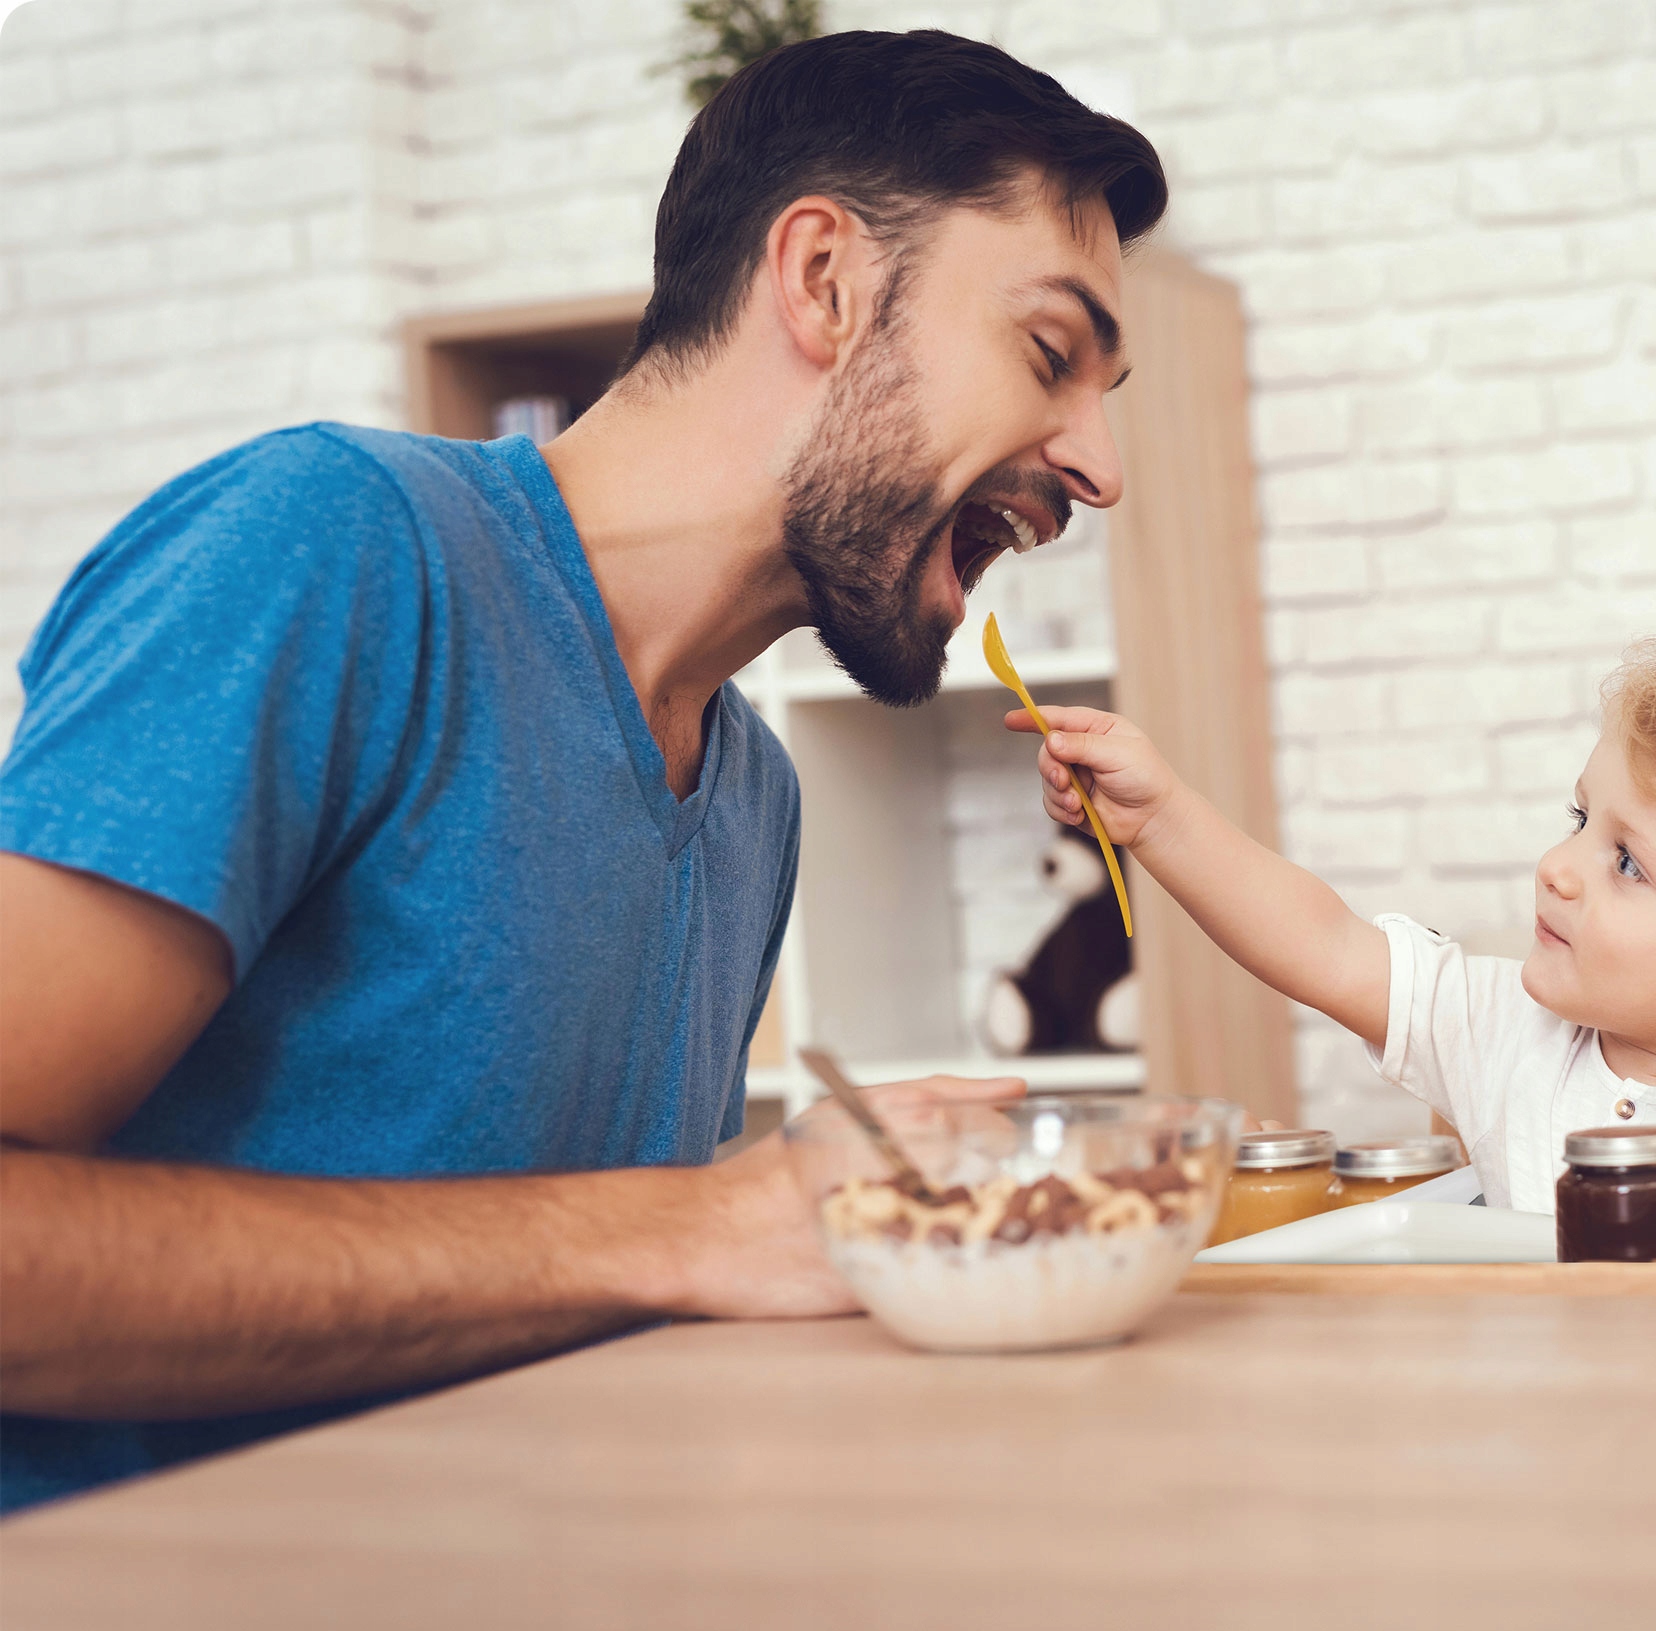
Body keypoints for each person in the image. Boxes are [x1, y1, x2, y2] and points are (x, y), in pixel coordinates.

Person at [0, 30, 1165, 1512]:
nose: (1101, 470)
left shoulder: (754, 800)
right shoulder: (332, 551)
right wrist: (686, 1231)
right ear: (822, 281)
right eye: (1051, 356)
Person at [1013, 642, 1656, 1257]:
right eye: (1577, 820)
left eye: (1626, 863)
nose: (1559, 866)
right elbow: (1320, 941)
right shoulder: (1507, 1033)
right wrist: (1160, 823)